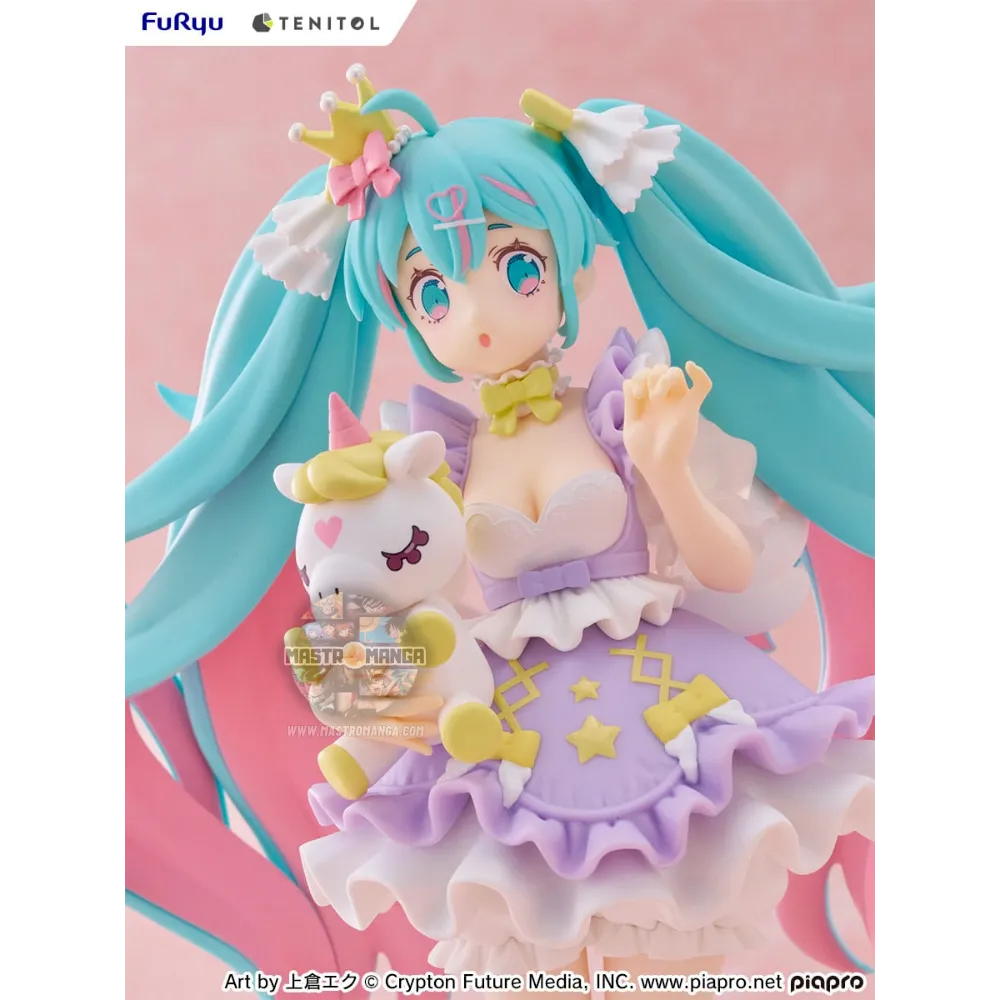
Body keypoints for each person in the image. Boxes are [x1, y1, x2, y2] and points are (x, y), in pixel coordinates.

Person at [123, 64, 877, 992]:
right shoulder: (432, 458)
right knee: (529, 949)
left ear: (568, 266)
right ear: (404, 315)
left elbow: (725, 573)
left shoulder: (621, 409)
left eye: (517, 268)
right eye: (434, 294)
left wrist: (670, 468)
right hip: (510, 727)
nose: (478, 316)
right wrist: (358, 677)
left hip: (663, 696)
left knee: (662, 936)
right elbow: (408, 614)